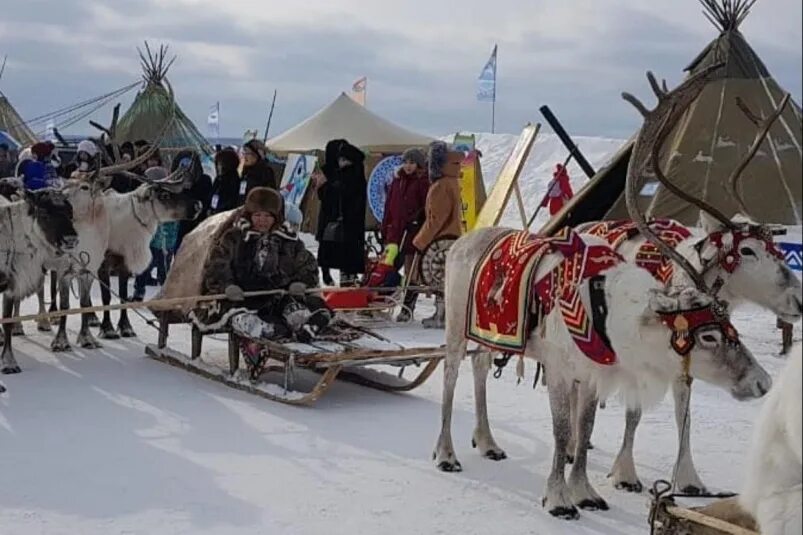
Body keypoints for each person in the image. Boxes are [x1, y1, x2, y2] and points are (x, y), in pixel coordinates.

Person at [202, 188, 329, 368]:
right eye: (258, 215)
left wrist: (300, 281)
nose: (262, 220)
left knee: (298, 310)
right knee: (240, 318)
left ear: (276, 217)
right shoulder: (234, 237)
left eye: (268, 216)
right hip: (241, 298)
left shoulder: (288, 240)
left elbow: (308, 265)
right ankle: (264, 331)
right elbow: (217, 264)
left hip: (276, 297)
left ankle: (306, 325)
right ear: (250, 215)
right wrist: (227, 285)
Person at [412, 141, 464, 328]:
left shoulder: (440, 186)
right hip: (452, 237)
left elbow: (436, 219)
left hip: (440, 241)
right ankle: (444, 315)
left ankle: (441, 316)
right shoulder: (453, 182)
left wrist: (420, 240)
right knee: (446, 280)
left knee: (438, 279)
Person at [381, 147, 430, 321]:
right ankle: (384, 301)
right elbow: (389, 206)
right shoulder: (397, 180)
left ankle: (407, 307)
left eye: (412, 162)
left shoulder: (422, 181)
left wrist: (418, 220)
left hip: (412, 232)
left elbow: (426, 206)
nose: (408, 166)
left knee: (411, 271)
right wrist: (384, 227)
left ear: (418, 164)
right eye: (406, 162)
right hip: (395, 232)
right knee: (388, 267)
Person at [315, 139, 367, 286]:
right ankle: (332, 276)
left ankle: (345, 278)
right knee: (332, 249)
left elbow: (343, 193)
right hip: (335, 220)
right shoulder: (331, 171)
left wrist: (327, 186)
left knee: (343, 252)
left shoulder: (353, 172)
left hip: (346, 221)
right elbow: (326, 196)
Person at [132, 166, 179, 301]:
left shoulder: (168, 197)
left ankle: (166, 295)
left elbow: (172, 220)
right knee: (143, 267)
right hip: (149, 240)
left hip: (163, 240)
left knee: (163, 268)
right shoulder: (145, 196)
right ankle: (139, 291)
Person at [172, 149, 212, 249]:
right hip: (180, 224)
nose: (186, 168)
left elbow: (207, 201)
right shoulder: (174, 181)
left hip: (199, 223)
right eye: (183, 165)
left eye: (189, 165)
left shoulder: (204, 180)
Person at [238, 139, 277, 205]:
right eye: (244, 153)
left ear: (257, 154)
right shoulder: (246, 172)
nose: (245, 156)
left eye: (248, 153)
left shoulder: (265, 171)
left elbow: (270, 195)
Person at [208, 147, 241, 216]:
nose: (217, 166)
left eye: (220, 164)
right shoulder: (219, 178)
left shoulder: (233, 180)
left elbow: (230, 201)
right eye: (217, 163)